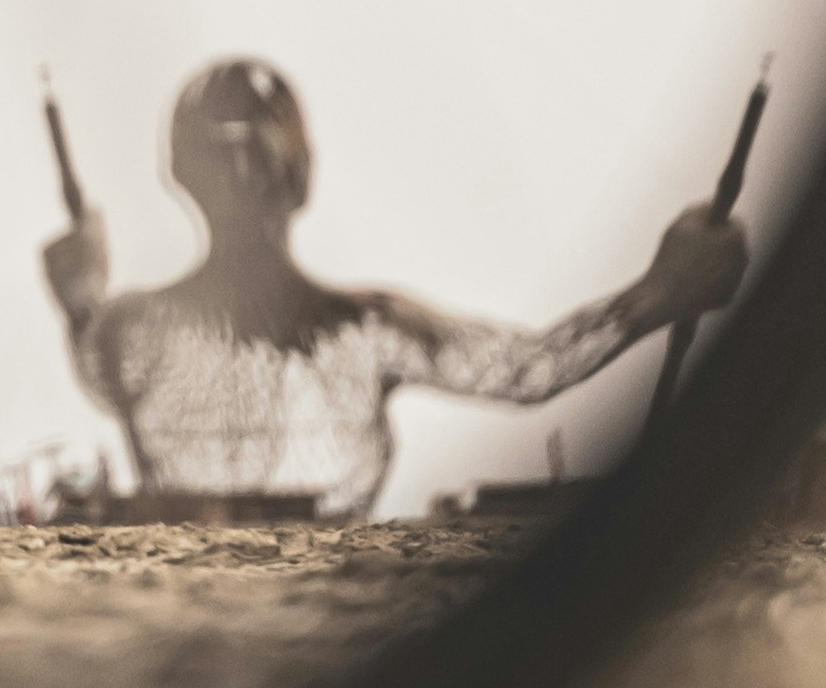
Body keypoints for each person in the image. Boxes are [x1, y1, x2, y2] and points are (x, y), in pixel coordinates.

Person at [40, 57, 747, 517]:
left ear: (175, 176)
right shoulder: (369, 328)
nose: (241, 176)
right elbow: (528, 370)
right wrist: (662, 291)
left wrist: (79, 296)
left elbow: (98, 368)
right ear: (305, 174)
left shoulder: (131, 333)